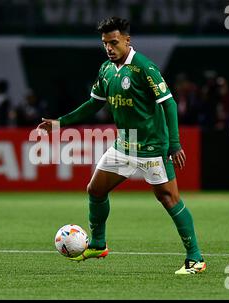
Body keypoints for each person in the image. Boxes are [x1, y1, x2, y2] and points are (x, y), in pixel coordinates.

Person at [37, 17, 206, 275]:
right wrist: (61, 122)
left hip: (152, 148)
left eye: (114, 42)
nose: (109, 48)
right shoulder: (106, 69)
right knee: (95, 189)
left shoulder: (144, 68)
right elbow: (94, 103)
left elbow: (169, 103)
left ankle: (196, 258)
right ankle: (97, 244)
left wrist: (174, 144)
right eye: (105, 43)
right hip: (124, 146)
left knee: (168, 198)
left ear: (127, 40)